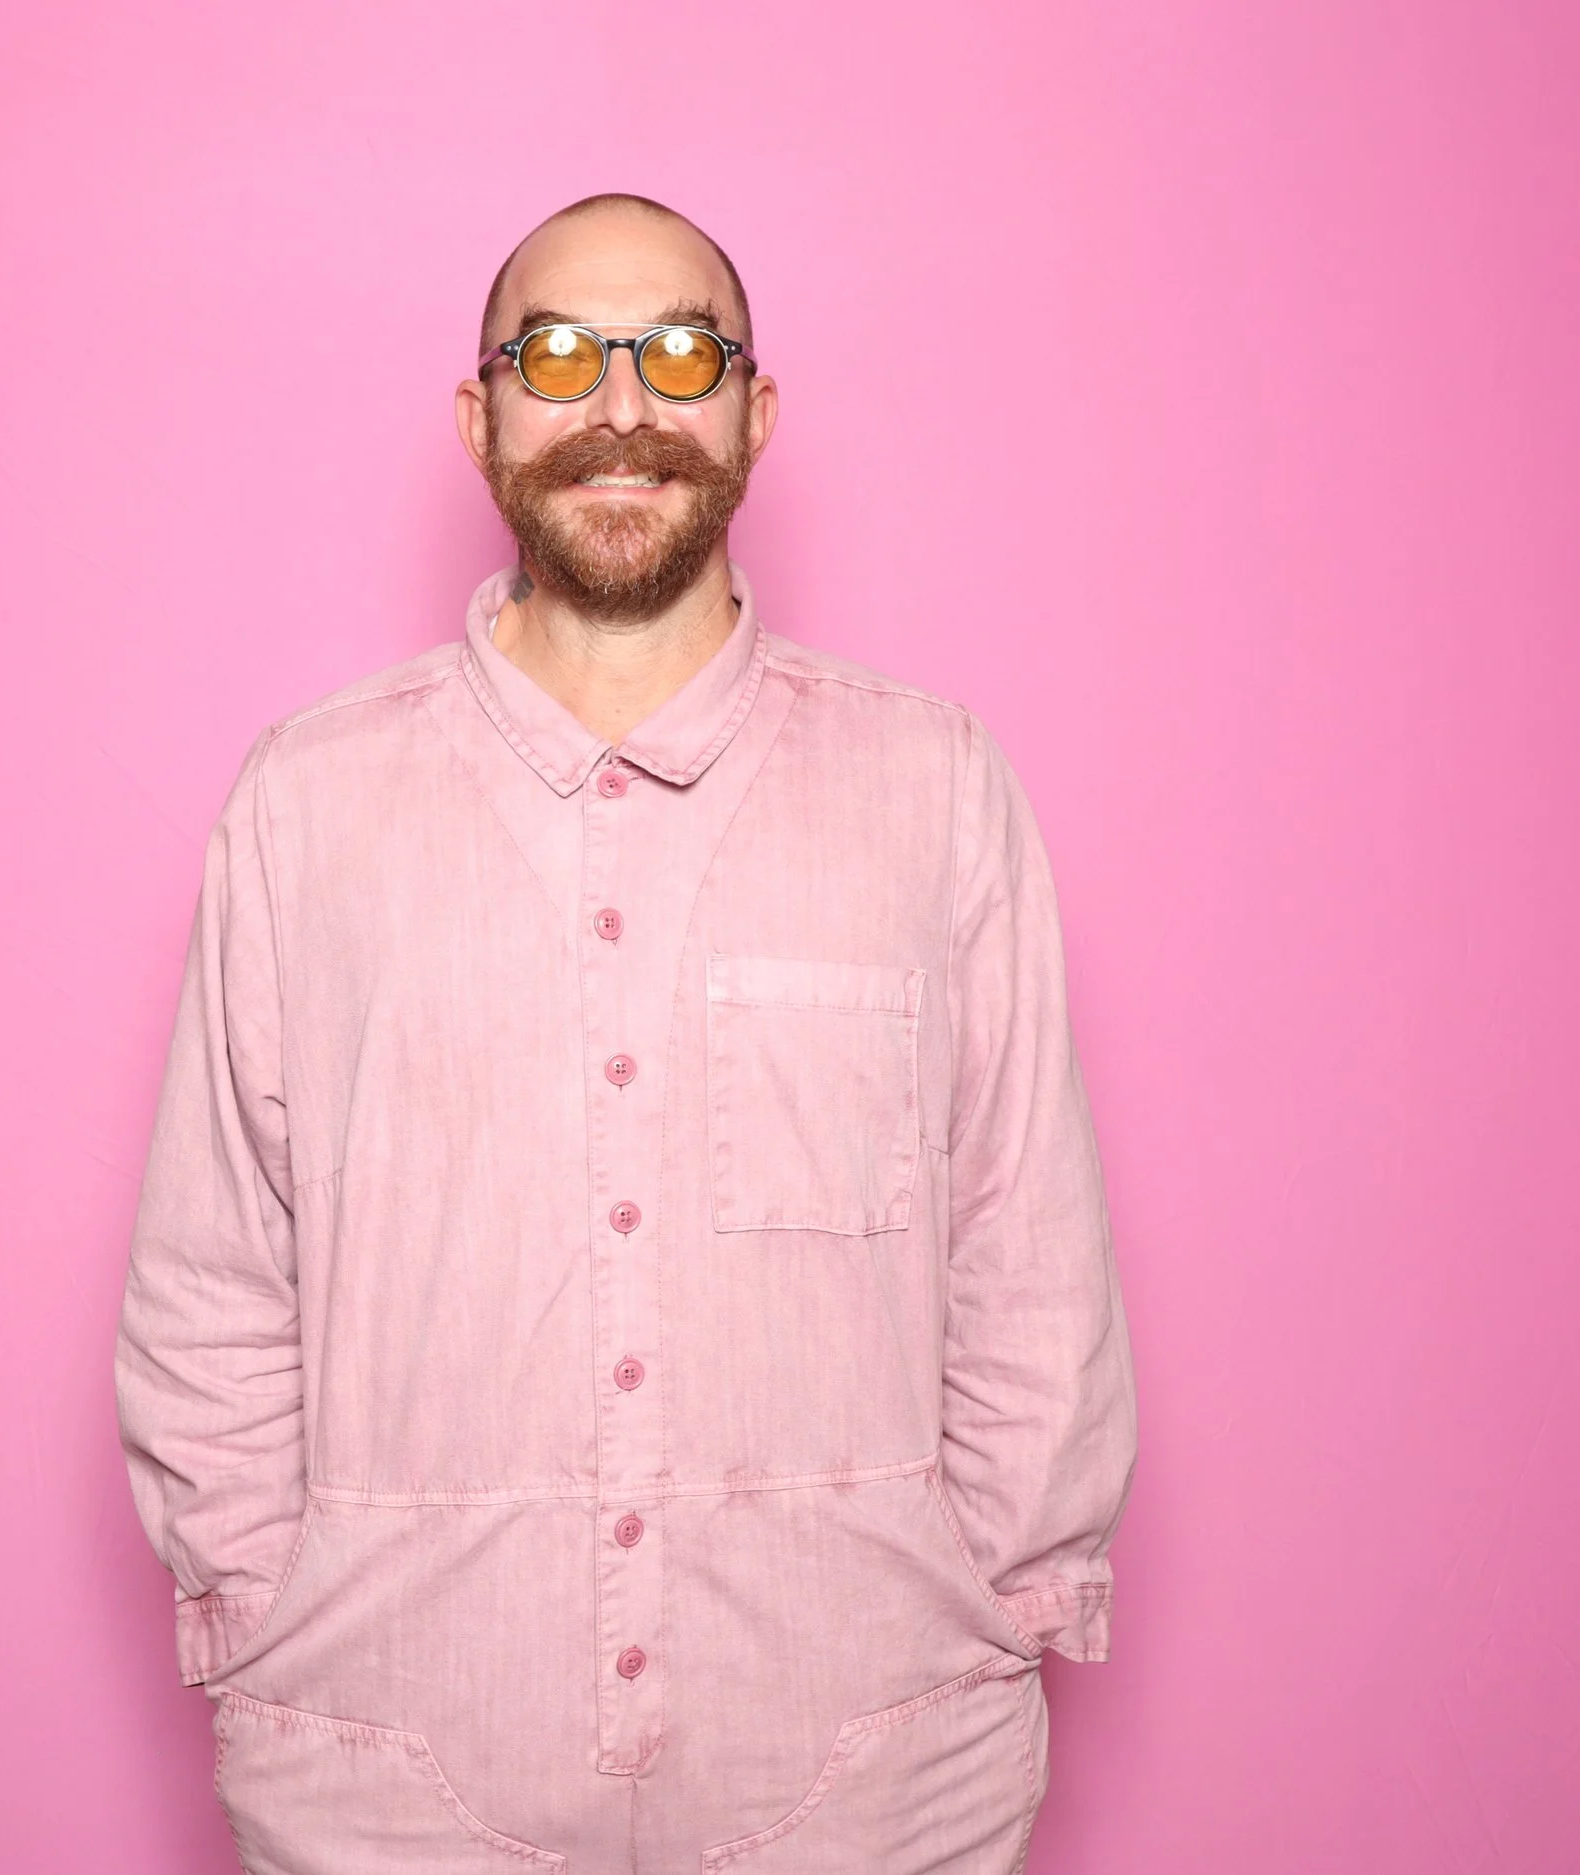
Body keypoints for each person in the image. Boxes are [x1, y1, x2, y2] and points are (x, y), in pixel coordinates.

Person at [116, 192, 1138, 1875]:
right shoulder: (307, 804)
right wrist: (269, 1609)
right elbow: (212, 1269)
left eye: (678, 351)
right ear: (480, 414)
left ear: (755, 409)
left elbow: (1031, 1256)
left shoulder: (933, 786)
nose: (621, 406)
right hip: (388, 1767)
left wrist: (996, 1606)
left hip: (873, 1764)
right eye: (559, 356)